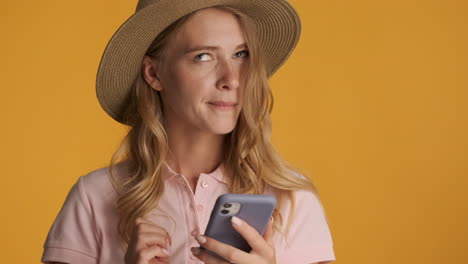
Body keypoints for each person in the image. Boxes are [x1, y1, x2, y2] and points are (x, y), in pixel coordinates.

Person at [41, 0, 336, 263]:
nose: (231, 79)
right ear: (154, 74)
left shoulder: (291, 199)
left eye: (241, 54)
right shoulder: (94, 198)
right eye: (203, 56)